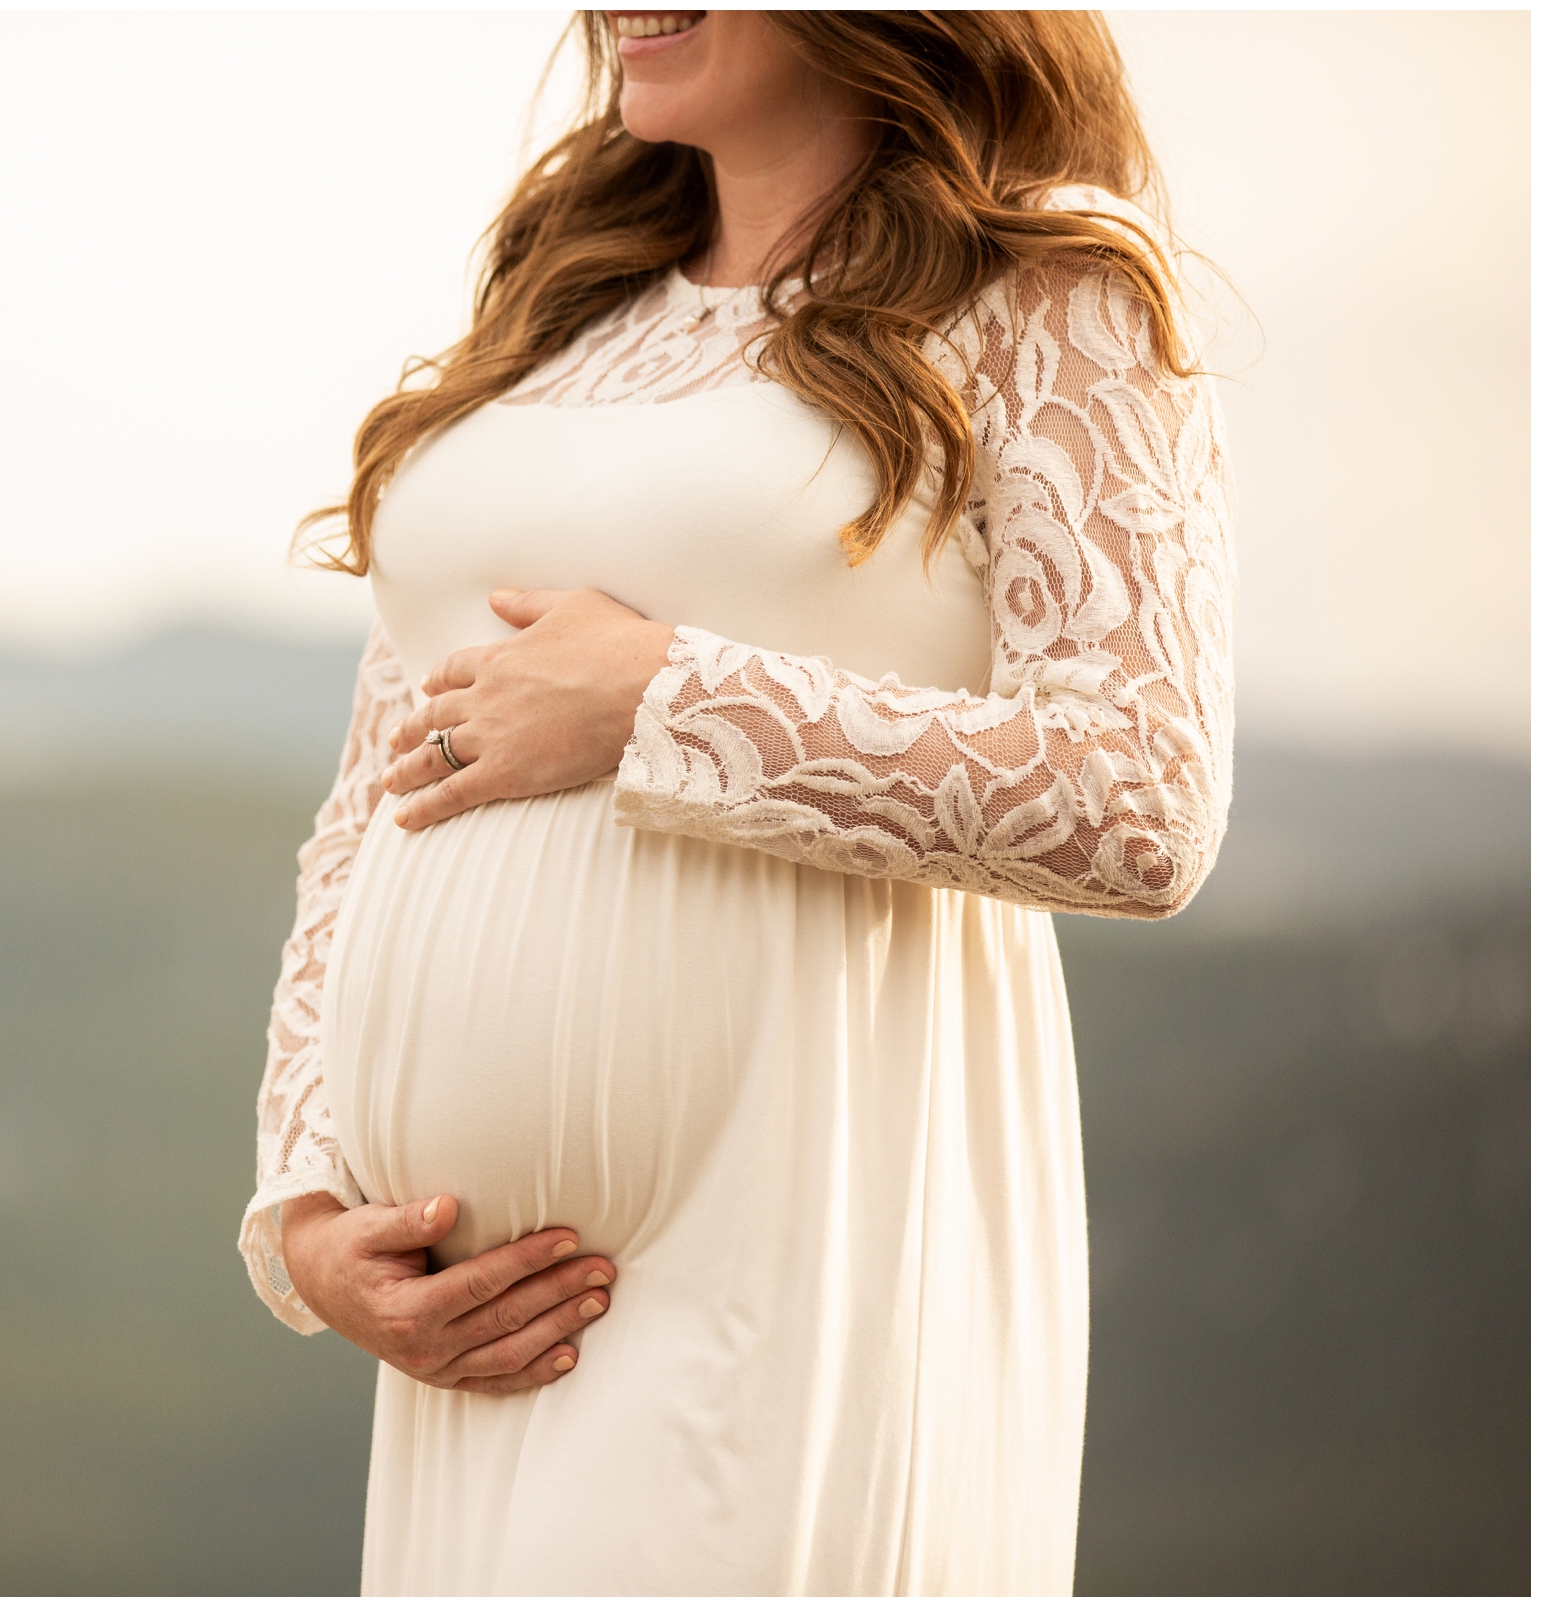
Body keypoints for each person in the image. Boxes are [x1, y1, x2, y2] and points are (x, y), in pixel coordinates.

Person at [240, 10, 1233, 1595]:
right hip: (473, 1330)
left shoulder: (1045, 289)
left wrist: (660, 703)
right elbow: (374, 798)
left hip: (801, 1251)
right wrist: (301, 1204)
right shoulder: (563, 301)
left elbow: (1140, 796)